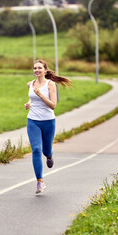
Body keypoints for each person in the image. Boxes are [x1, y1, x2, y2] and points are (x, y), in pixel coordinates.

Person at [24, 59, 72, 194]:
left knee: (46, 150)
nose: (36, 70)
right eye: (34, 68)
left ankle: (50, 156)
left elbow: (53, 105)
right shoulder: (30, 84)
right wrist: (28, 103)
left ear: (45, 70)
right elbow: (31, 98)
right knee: (36, 150)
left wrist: (40, 95)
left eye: (39, 68)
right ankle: (40, 182)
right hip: (32, 121)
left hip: (48, 121)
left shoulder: (50, 85)